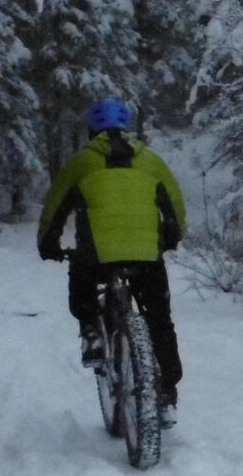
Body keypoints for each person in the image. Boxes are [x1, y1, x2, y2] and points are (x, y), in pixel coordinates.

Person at [37, 100, 188, 418]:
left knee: (82, 280)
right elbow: (174, 204)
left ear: (93, 130)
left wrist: (48, 244)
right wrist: (171, 238)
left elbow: (55, 208)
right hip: (147, 255)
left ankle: (92, 332)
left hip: (97, 256)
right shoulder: (151, 161)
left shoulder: (81, 163)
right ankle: (166, 394)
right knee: (159, 319)